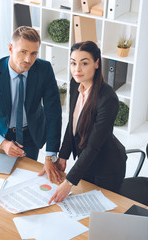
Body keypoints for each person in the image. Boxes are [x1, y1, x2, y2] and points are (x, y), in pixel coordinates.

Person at [45, 41, 127, 203]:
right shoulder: (76, 83)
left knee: (100, 210)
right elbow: (72, 123)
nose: (77, 69)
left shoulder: (107, 98)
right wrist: (63, 156)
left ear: (97, 63)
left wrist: (69, 182)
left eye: (84, 63)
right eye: (73, 63)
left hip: (107, 166)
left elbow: (94, 145)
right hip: (86, 161)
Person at [0, 26, 61, 162]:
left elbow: (54, 114)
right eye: (23, 52)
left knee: (27, 177)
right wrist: (2, 143)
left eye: (33, 53)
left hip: (31, 134)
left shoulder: (44, 70)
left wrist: (51, 156)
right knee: (1, 176)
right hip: (0, 133)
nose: (28, 59)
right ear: (11, 48)